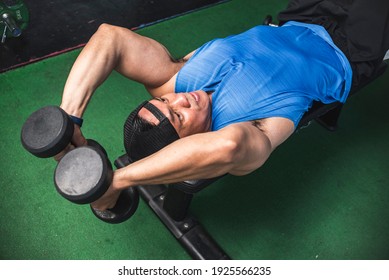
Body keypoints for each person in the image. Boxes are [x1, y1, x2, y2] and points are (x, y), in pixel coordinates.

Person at [57, 0, 389, 211]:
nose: (179, 99)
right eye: (178, 116)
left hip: (304, 14)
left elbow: (110, 38)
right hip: (353, 46)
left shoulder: (177, 79)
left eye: (163, 101)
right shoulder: (249, 130)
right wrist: (116, 181)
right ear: (189, 142)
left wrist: (68, 121)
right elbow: (227, 147)